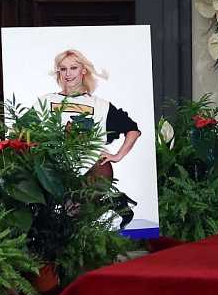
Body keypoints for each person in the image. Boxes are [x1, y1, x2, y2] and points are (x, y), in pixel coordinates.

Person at [38, 49, 142, 227]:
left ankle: (112, 203)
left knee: (77, 218)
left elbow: (133, 130)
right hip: (58, 169)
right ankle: (114, 202)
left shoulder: (100, 105)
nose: (68, 74)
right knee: (64, 219)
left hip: (95, 168)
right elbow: (24, 132)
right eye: (63, 69)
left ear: (83, 70)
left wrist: (117, 156)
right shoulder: (46, 101)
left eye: (73, 68)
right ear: (59, 72)